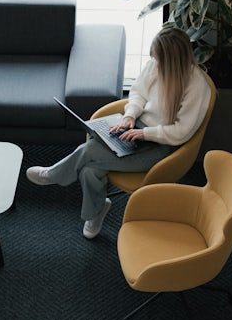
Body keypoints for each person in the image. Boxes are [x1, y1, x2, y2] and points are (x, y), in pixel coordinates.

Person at [26, 27, 211, 239]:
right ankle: (97, 210)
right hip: (135, 128)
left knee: (88, 154)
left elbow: (181, 132)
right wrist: (129, 116)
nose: (154, 64)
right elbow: (138, 94)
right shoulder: (155, 66)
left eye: (159, 60)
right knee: (89, 169)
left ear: (173, 61)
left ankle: (54, 175)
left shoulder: (196, 86)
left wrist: (145, 134)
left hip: (161, 146)